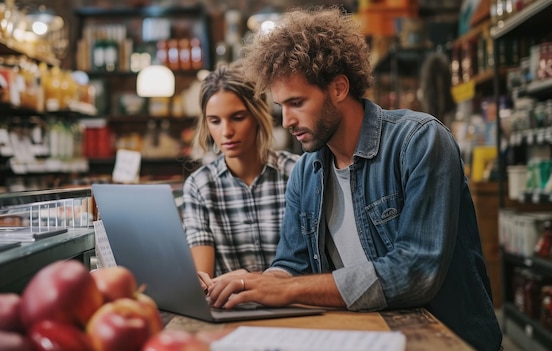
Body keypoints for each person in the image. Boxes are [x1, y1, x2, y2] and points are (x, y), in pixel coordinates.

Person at [205, 7, 502, 351]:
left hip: (446, 339)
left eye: (297, 102)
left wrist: (285, 289)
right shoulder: (307, 170)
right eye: (281, 106)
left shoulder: (419, 142)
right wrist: (253, 283)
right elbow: (293, 263)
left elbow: (416, 271)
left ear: (339, 88)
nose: (286, 120)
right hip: (365, 334)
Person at [182, 62, 299, 286]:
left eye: (237, 117)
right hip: (231, 309)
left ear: (257, 115)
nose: (226, 132)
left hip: (296, 306)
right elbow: (203, 280)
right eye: (215, 121)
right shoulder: (199, 186)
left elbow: (312, 265)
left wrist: (250, 280)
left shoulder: (296, 172)